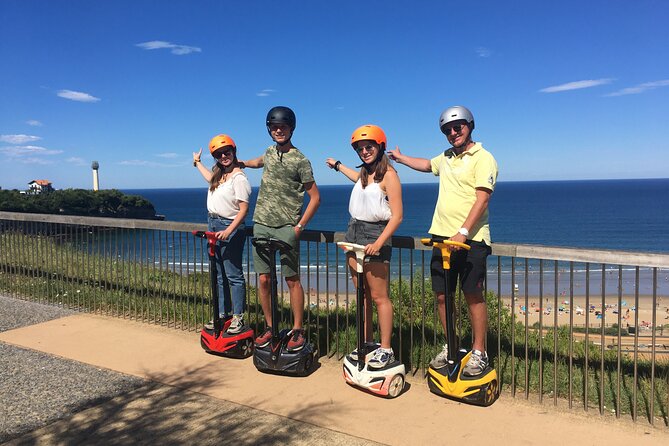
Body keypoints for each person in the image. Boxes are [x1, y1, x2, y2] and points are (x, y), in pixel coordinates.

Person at [388, 106, 498, 376]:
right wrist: (401, 159)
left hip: (471, 239)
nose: (452, 133)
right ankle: (451, 347)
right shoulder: (447, 157)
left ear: (469, 126)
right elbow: (427, 165)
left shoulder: (483, 158)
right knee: (441, 296)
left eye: (457, 127)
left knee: (472, 295)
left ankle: (479, 352)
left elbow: (482, 198)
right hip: (441, 239)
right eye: (447, 130)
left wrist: (463, 230)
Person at [240, 106, 320, 351]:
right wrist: (240, 162)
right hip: (261, 224)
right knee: (263, 280)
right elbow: (258, 161)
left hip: (287, 227)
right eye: (274, 127)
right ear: (269, 129)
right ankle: (270, 326)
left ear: (291, 129)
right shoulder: (269, 152)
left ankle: (297, 329)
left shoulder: (301, 160)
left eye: (283, 127)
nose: (278, 130)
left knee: (292, 279)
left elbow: (315, 197)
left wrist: (299, 227)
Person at [326, 125, 403, 369]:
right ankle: (366, 342)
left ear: (380, 146)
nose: (364, 151)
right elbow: (355, 177)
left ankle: (386, 349)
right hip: (353, 232)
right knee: (362, 296)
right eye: (360, 149)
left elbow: (398, 216)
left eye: (369, 147)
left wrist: (378, 244)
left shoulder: (389, 175)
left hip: (375, 234)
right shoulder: (363, 175)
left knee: (380, 297)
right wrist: (338, 165)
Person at [192, 134, 251, 334]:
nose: (224, 156)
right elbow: (209, 178)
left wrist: (229, 230)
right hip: (213, 224)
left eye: (227, 152)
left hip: (229, 226)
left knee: (233, 275)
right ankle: (222, 313)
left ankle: (238, 317)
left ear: (234, 152)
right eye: (219, 154)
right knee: (218, 274)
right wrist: (197, 162)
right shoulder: (219, 175)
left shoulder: (239, 177)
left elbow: (243, 210)